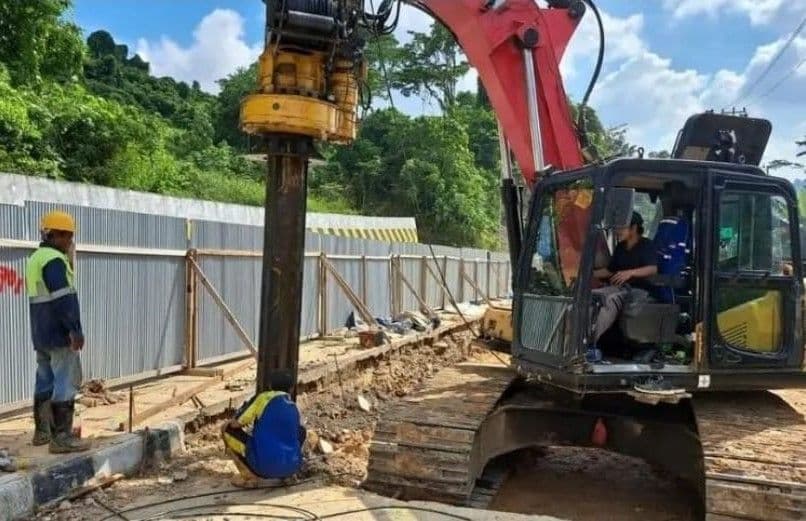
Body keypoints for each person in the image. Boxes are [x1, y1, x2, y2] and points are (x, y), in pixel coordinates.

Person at [26, 210, 90, 453]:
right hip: (58, 331)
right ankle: (61, 438)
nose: (70, 242)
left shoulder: (36, 258)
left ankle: (42, 432)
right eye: (69, 237)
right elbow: (63, 299)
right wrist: (74, 330)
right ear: (58, 235)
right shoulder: (54, 260)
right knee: (65, 380)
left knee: (44, 379)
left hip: (40, 332)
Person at [221, 374, 305, 487]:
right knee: (301, 431)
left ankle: (250, 477)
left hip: (263, 467)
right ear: (291, 388)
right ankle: (288, 473)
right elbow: (298, 432)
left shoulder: (263, 398)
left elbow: (236, 424)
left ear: (270, 386)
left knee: (227, 430)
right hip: (292, 467)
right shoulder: (294, 406)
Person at [591, 211, 658, 344]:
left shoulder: (646, 245)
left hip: (638, 290)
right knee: (592, 296)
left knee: (607, 300)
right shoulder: (620, 247)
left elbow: (652, 269)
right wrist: (586, 274)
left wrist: (630, 273)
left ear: (633, 228)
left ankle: (589, 344)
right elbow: (610, 270)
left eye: (621, 227)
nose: (617, 231)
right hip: (618, 288)